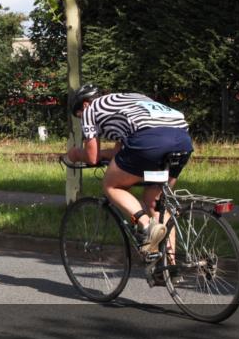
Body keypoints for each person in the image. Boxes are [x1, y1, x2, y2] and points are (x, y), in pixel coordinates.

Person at [65, 84, 193, 258]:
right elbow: (119, 153)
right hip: (182, 139)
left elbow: (92, 157)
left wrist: (75, 154)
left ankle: (147, 225)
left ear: (85, 104)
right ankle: (168, 266)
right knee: (155, 201)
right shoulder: (131, 100)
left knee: (112, 185)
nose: (81, 119)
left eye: (78, 115)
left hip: (148, 139)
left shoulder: (90, 109)